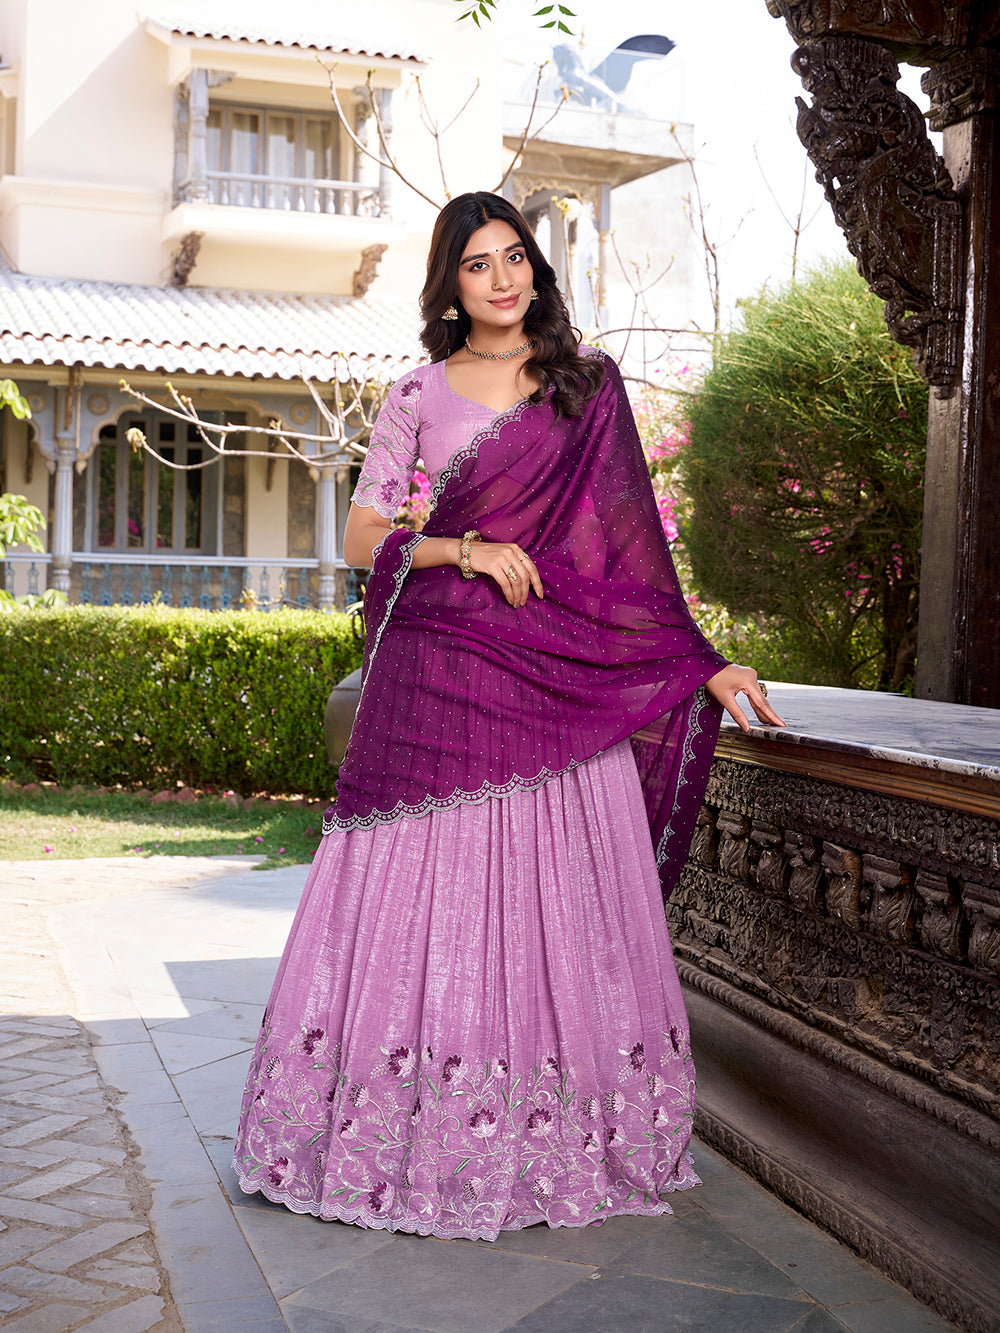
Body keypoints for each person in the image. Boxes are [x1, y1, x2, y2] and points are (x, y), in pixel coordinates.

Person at [233, 191, 784, 1241]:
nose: (502, 278)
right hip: (437, 673)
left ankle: (552, 1140)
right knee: (421, 898)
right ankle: (403, 1137)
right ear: (449, 286)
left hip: (552, 680)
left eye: (514, 256)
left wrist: (700, 662)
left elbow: (632, 557)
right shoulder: (416, 393)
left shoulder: (586, 387)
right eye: (477, 263)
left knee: (552, 905)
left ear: (536, 266)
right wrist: (464, 549)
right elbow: (361, 536)